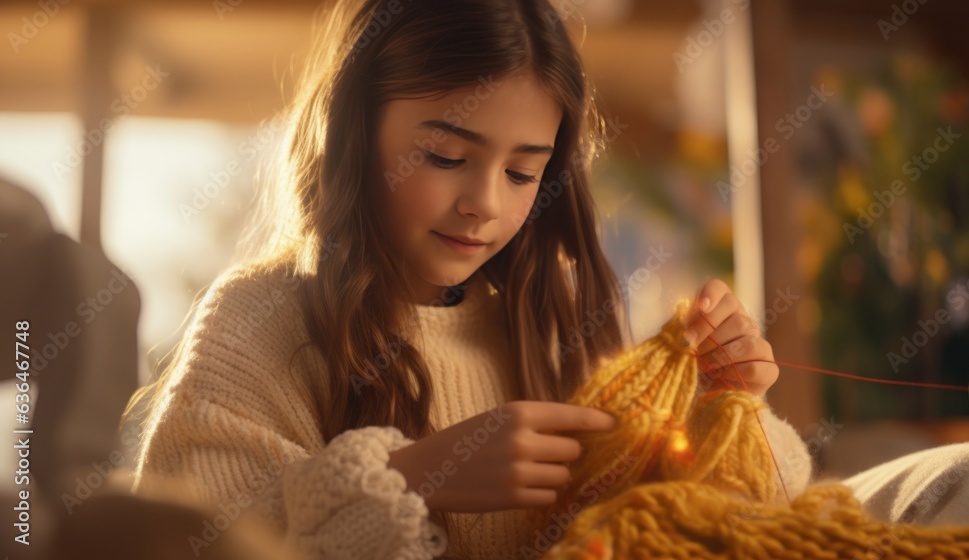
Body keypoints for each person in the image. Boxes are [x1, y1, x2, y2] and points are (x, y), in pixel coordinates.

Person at [123, 1, 814, 558]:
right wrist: (410, 477)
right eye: (446, 155)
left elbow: (704, 524)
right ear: (356, 134)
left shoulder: (561, 321)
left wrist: (730, 408)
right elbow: (190, 537)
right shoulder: (259, 322)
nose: (485, 203)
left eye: (522, 173)